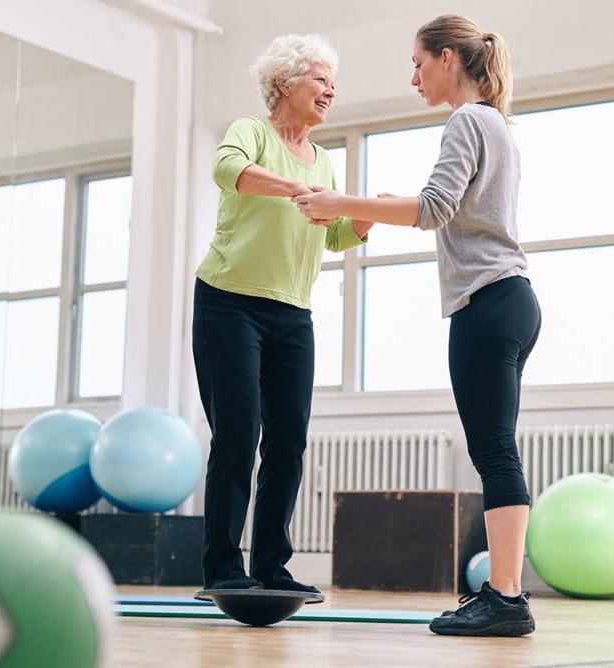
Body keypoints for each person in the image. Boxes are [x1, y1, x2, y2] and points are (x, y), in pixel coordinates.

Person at [293, 15, 540, 636]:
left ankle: (507, 599)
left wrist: (340, 203)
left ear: (449, 58)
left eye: (419, 63)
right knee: (497, 449)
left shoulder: (468, 120)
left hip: (486, 302)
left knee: (493, 452)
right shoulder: (499, 126)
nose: (414, 77)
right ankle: (507, 596)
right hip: (512, 299)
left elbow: (433, 209)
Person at [192, 33, 373, 599]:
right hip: (228, 303)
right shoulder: (252, 131)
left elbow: (334, 234)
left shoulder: (326, 160)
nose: (330, 89)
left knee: (288, 439)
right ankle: (223, 566)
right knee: (238, 434)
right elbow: (229, 171)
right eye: (320, 78)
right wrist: (297, 188)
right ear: (285, 83)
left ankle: (272, 565)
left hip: (293, 314)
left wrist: (363, 219)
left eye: (331, 80)